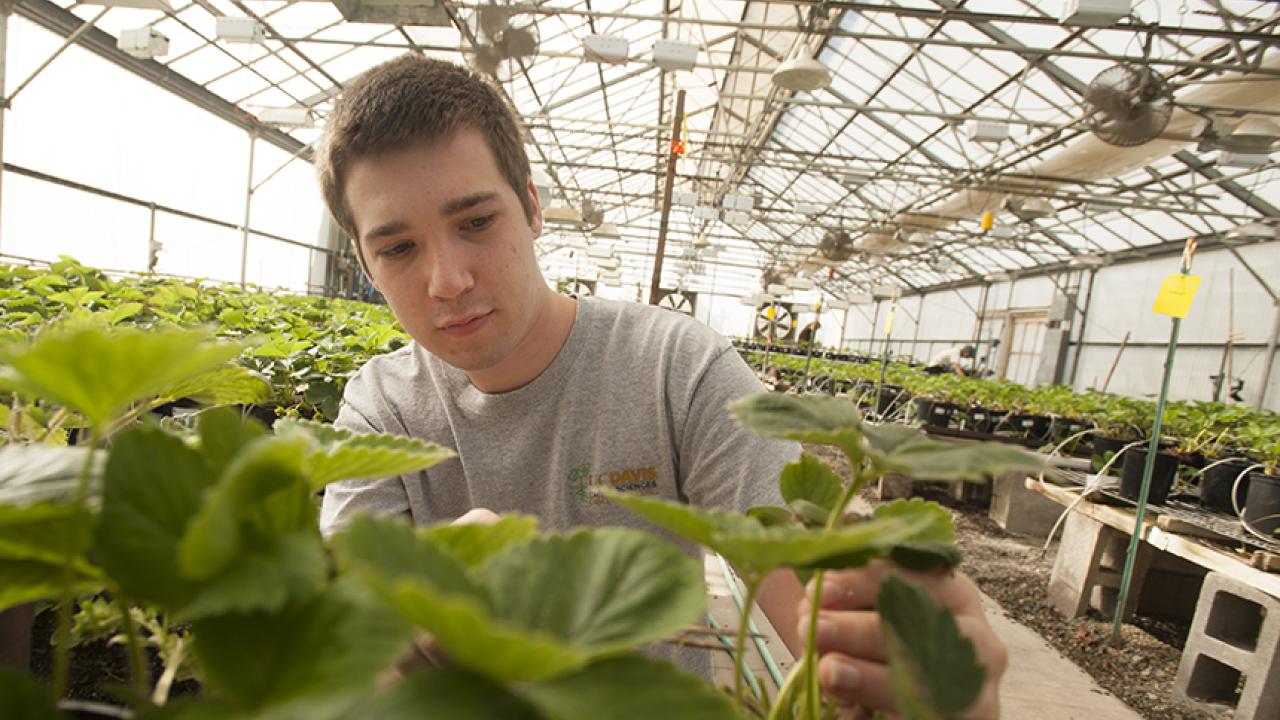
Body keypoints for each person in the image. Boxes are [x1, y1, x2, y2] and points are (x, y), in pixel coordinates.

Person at [314, 55, 1005, 716]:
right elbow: (350, 657)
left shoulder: (677, 367)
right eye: (399, 248)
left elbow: (811, 612)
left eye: (476, 222)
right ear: (367, 266)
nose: (447, 280)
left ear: (530, 209)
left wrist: (904, 682)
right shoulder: (381, 411)